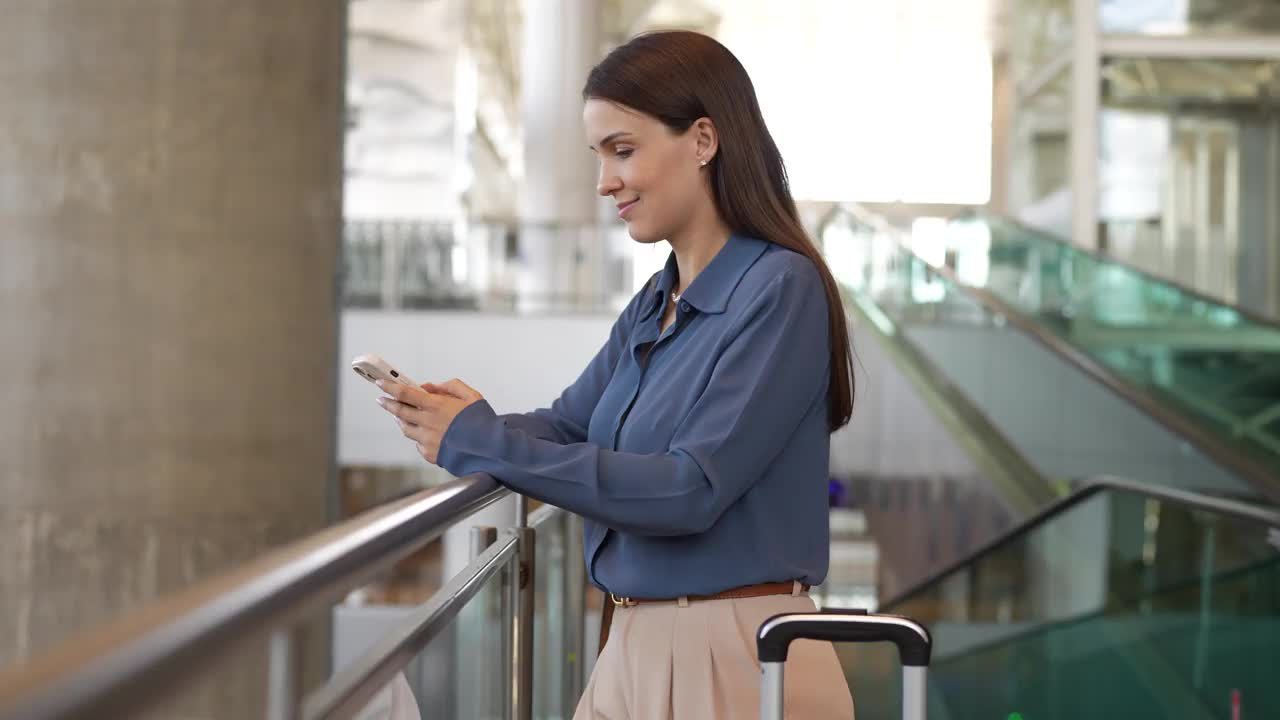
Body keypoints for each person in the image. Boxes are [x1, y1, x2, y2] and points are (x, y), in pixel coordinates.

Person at [376, 30, 856, 719]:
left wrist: (483, 442)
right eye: (599, 156)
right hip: (632, 642)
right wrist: (457, 420)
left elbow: (689, 491)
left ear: (702, 140)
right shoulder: (656, 301)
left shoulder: (780, 290)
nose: (605, 182)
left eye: (622, 151)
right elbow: (571, 425)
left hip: (734, 655)